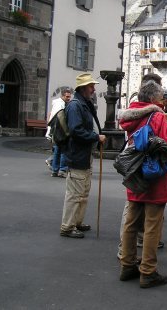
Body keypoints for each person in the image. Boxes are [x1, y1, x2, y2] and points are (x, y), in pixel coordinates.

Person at [118, 80, 167, 288]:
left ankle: (127, 265)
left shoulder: (131, 115)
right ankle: (148, 271)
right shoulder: (158, 116)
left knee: (131, 222)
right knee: (152, 225)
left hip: (135, 174)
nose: (163, 100)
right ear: (153, 99)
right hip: (154, 176)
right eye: (161, 97)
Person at [60, 74, 106, 238]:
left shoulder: (84, 103)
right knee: (75, 193)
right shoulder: (75, 105)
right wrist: (95, 137)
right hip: (77, 154)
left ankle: (76, 222)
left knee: (83, 192)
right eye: (91, 86)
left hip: (84, 154)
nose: (93, 89)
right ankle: (67, 226)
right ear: (83, 88)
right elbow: (76, 130)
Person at [46, 89, 72, 177]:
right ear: (62, 96)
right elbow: (61, 119)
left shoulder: (58, 103)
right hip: (60, 130)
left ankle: (55, 170)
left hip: (55, 130)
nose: (69, 98)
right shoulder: (61, 105)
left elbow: (50, 115)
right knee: (63, 151)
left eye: (69, 96)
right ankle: (62, 170)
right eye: (67, 96)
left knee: (57, 150)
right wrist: (67, 132)